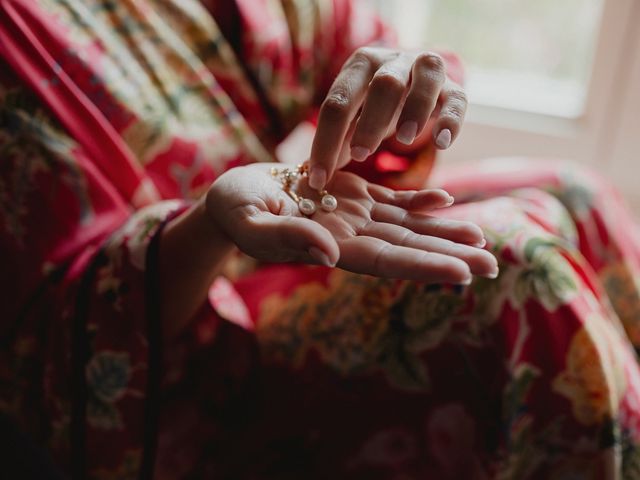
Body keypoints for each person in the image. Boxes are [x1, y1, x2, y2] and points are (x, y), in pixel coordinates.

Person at [0, 0, 639, 478]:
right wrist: (212, 222)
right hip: (185, 337)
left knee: (575, 194)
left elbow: (356, 53)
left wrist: (400, 99)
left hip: (287, 231)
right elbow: (55, 335)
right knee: (514, 265)